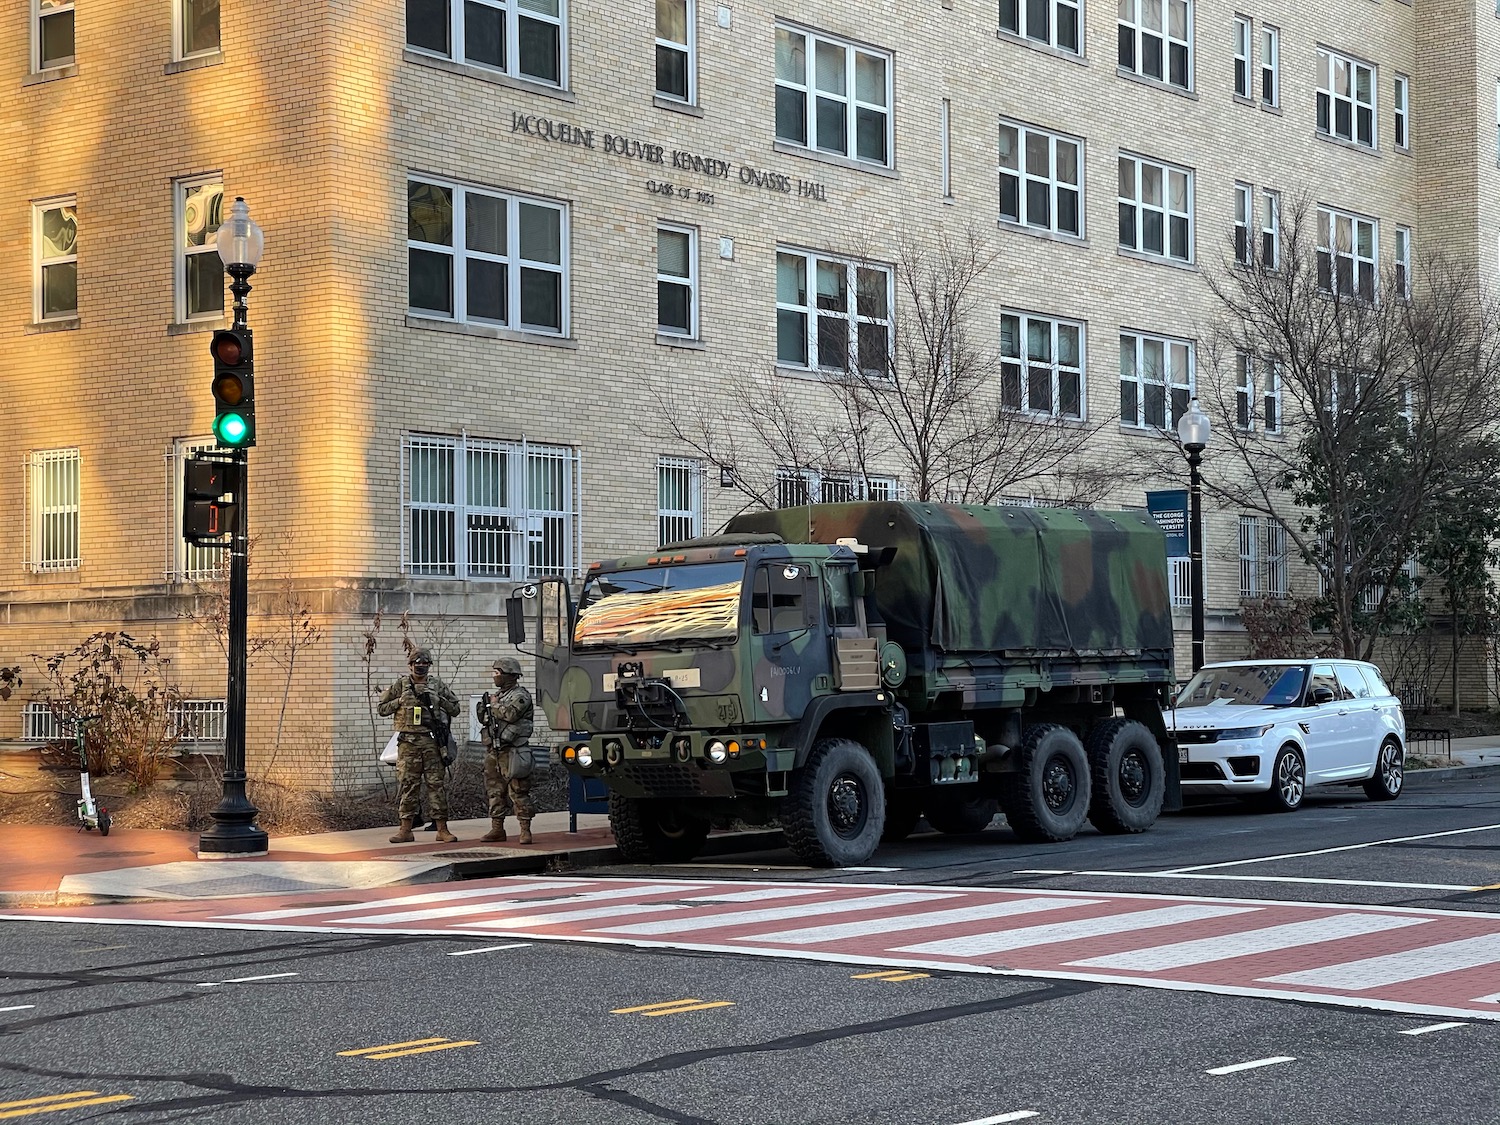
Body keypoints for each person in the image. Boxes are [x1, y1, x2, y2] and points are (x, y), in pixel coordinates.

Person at [377, 647, 462, 843]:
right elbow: (382, 709)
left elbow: (455, 708)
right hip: (408, 743)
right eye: (417, 663)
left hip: (432, 742)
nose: (421, 666)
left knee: (436, 785)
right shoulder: (401, 685)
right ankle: (406, 829)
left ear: (429, 665)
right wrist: (399, 701)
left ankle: (442, 829)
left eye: (425, 663)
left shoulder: (437, 685)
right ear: (410, 665)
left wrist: (438, 700)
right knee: (408, 785)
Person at [477, 655, 536, 844]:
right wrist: (486, 708)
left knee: (518, 790)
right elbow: (485, 717)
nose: (495, 677)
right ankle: (497, 828)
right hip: (495, 750)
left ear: (510, 675)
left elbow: (510, 714)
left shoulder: (521, 695)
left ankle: (525, 829)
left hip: (514, 751)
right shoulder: (500, 696)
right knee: (494, 790)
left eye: (497, 673)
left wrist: (492, 705)